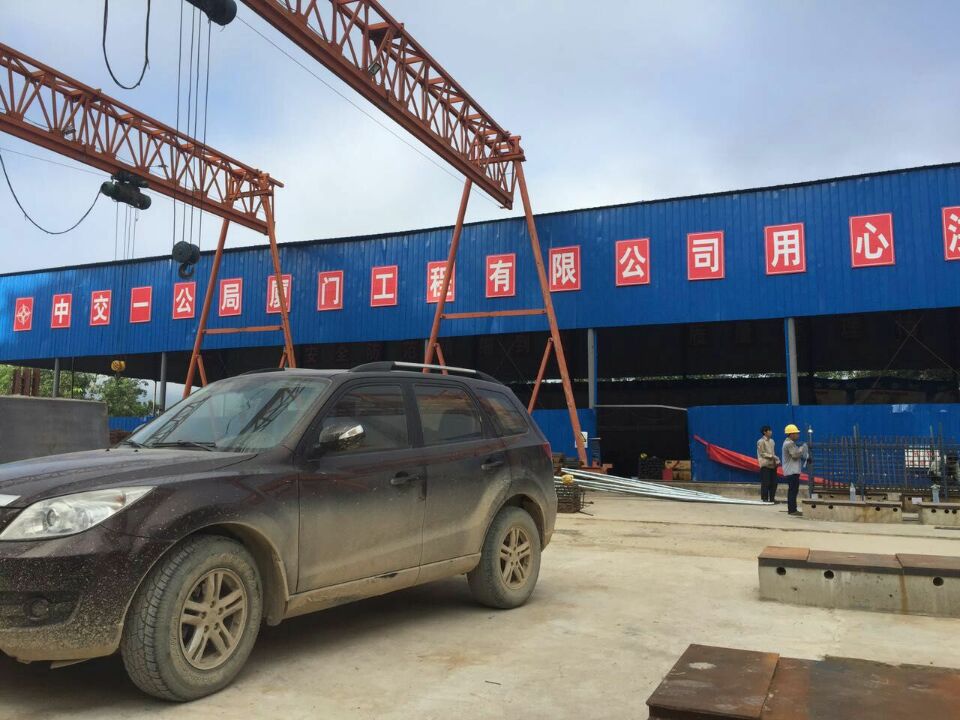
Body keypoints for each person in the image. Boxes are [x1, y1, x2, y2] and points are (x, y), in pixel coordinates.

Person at [782, 424, 809, 516]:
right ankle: (792, 510)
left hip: (793, 471)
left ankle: (792, 509)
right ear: (791, 434)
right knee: (793, 491)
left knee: (793, 490)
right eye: (796, 433)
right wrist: (802, 449)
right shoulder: (789, 443)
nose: (798, 435)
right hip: (791, 471)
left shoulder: (791, 443)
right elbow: (795, 455)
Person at [756, 425, 779, 503]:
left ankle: (772, 498)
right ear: (765, 432)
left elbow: (773, 452)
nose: (771, 432)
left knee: (774, 482)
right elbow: (762, 453)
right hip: (765, 464)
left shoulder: (772, 441)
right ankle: (764, 498)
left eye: (771, 430)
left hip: (773, 464)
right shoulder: (761, 441)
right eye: (769, 430)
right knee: (766, 482)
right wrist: (772, 456)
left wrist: (775, 460)